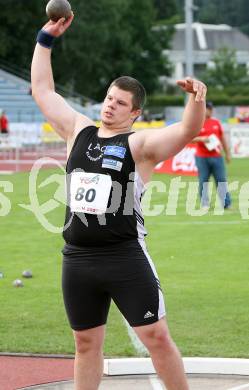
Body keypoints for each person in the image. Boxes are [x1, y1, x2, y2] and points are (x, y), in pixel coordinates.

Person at [31, 14, 207, 390]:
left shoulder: (139, 146)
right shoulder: (78, 130)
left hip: (124, 256)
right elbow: (44, 91)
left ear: (135, 112)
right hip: (77, 258)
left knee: (157, 337)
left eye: (120, 103)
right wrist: (45, 39)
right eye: (109, 98)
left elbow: (189, 129)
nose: (110, 106)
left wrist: (195, 98)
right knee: (85, 343)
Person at [193, 101, 231, 209]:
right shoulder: (197, 123)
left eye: (210, 108)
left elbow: (222, 138)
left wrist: (227, 153)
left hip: (217, 156)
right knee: (203, 180)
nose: (209, 110)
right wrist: (202, 139)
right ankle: (205, 203)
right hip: (202, 157)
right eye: (207, 108)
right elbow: (190, 138)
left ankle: (226, 203)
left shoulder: (216, 122)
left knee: (221, 180)